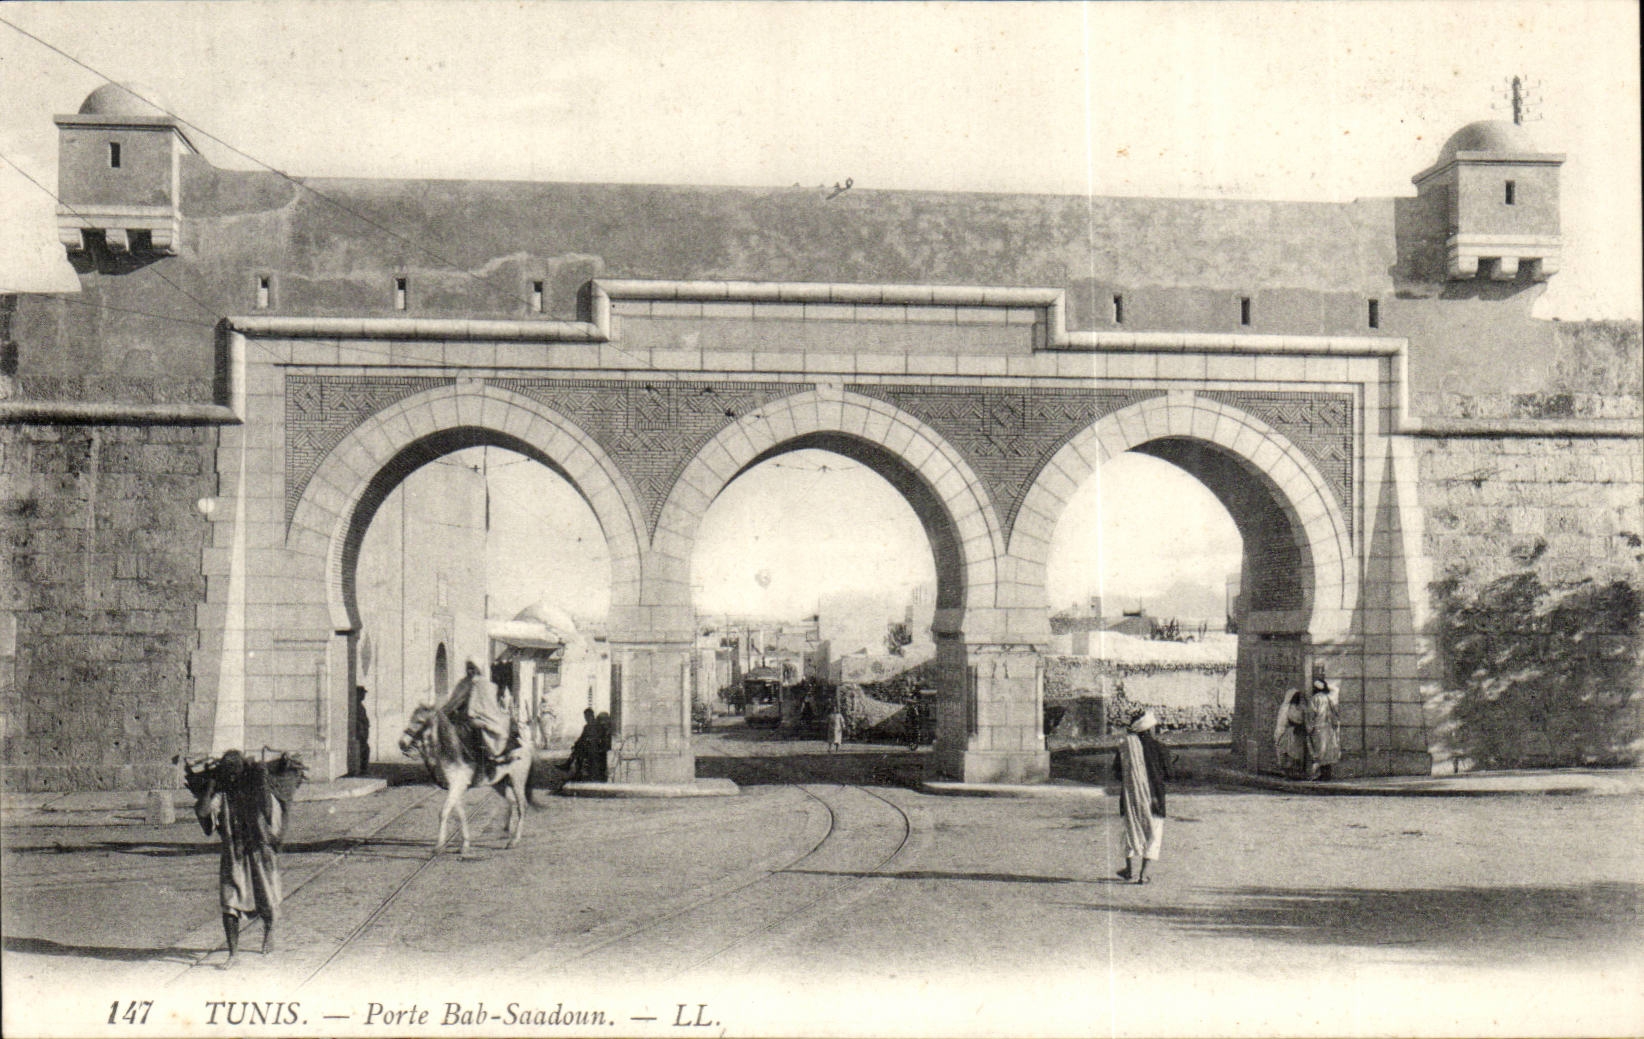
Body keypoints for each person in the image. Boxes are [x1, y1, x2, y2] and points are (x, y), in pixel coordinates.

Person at [192, 750, 285, 960]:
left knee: (266, 899)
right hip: (233, 856)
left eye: (235, 772)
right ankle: (233, 954)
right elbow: (203, 812)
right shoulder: (222, 796)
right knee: (229, 903)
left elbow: (272, 816)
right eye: (228, 773)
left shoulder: (258, 791)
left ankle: (269, 931)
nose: (232, 777)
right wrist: (210, 787)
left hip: (259, 854)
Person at [1112, 710, 1170, 885]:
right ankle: (1143, 874)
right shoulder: (1161, 748)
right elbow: (1169, 773)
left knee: (1129, 830)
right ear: (1150, 730)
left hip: (1130, 799)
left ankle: (1129, 870)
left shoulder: (1125, 748)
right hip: (1155, 799)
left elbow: (1117, 773)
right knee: (1153, 833)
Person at [441, 660, 511, 766]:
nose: (470, 671)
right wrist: (445, 712)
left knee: (474, 726)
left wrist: (474, 712)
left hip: (481, 717)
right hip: (461, 716)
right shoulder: (463, 683)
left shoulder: (484, 684)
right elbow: (454, 700)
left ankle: (480, 759)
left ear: (478, 669)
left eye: (473, 668)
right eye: (468, 668)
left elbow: (487, 704)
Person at [1305, 676, 1341, 781]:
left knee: (1320, 751)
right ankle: (1327, 773)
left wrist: (1309, 728)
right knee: (1328, 751)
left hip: (1319, 728)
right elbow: (1335, 713)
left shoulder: (1315, 699)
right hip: (1328, 728)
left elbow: (1311, 715)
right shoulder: (1328, 698)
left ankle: (1323, 774)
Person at [1273, 688, 1308, 779]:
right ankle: (1288, 774)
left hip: (1292, 734)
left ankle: (1293, 773)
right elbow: (1293, 720)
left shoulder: (1294, 707)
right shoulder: (1288, 707)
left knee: (1294, 754)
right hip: (1287, 733)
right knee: (1287, 753)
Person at [351, 685, 370, 777]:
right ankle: (362, 769)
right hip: (360, 731)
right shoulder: (356, 706)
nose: (364, 695)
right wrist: (361, 729)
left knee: (364, 749)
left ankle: (362, 769)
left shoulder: (359, 705)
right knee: (364, 749)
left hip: (363, 731)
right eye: (362, 693)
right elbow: (358, 719)